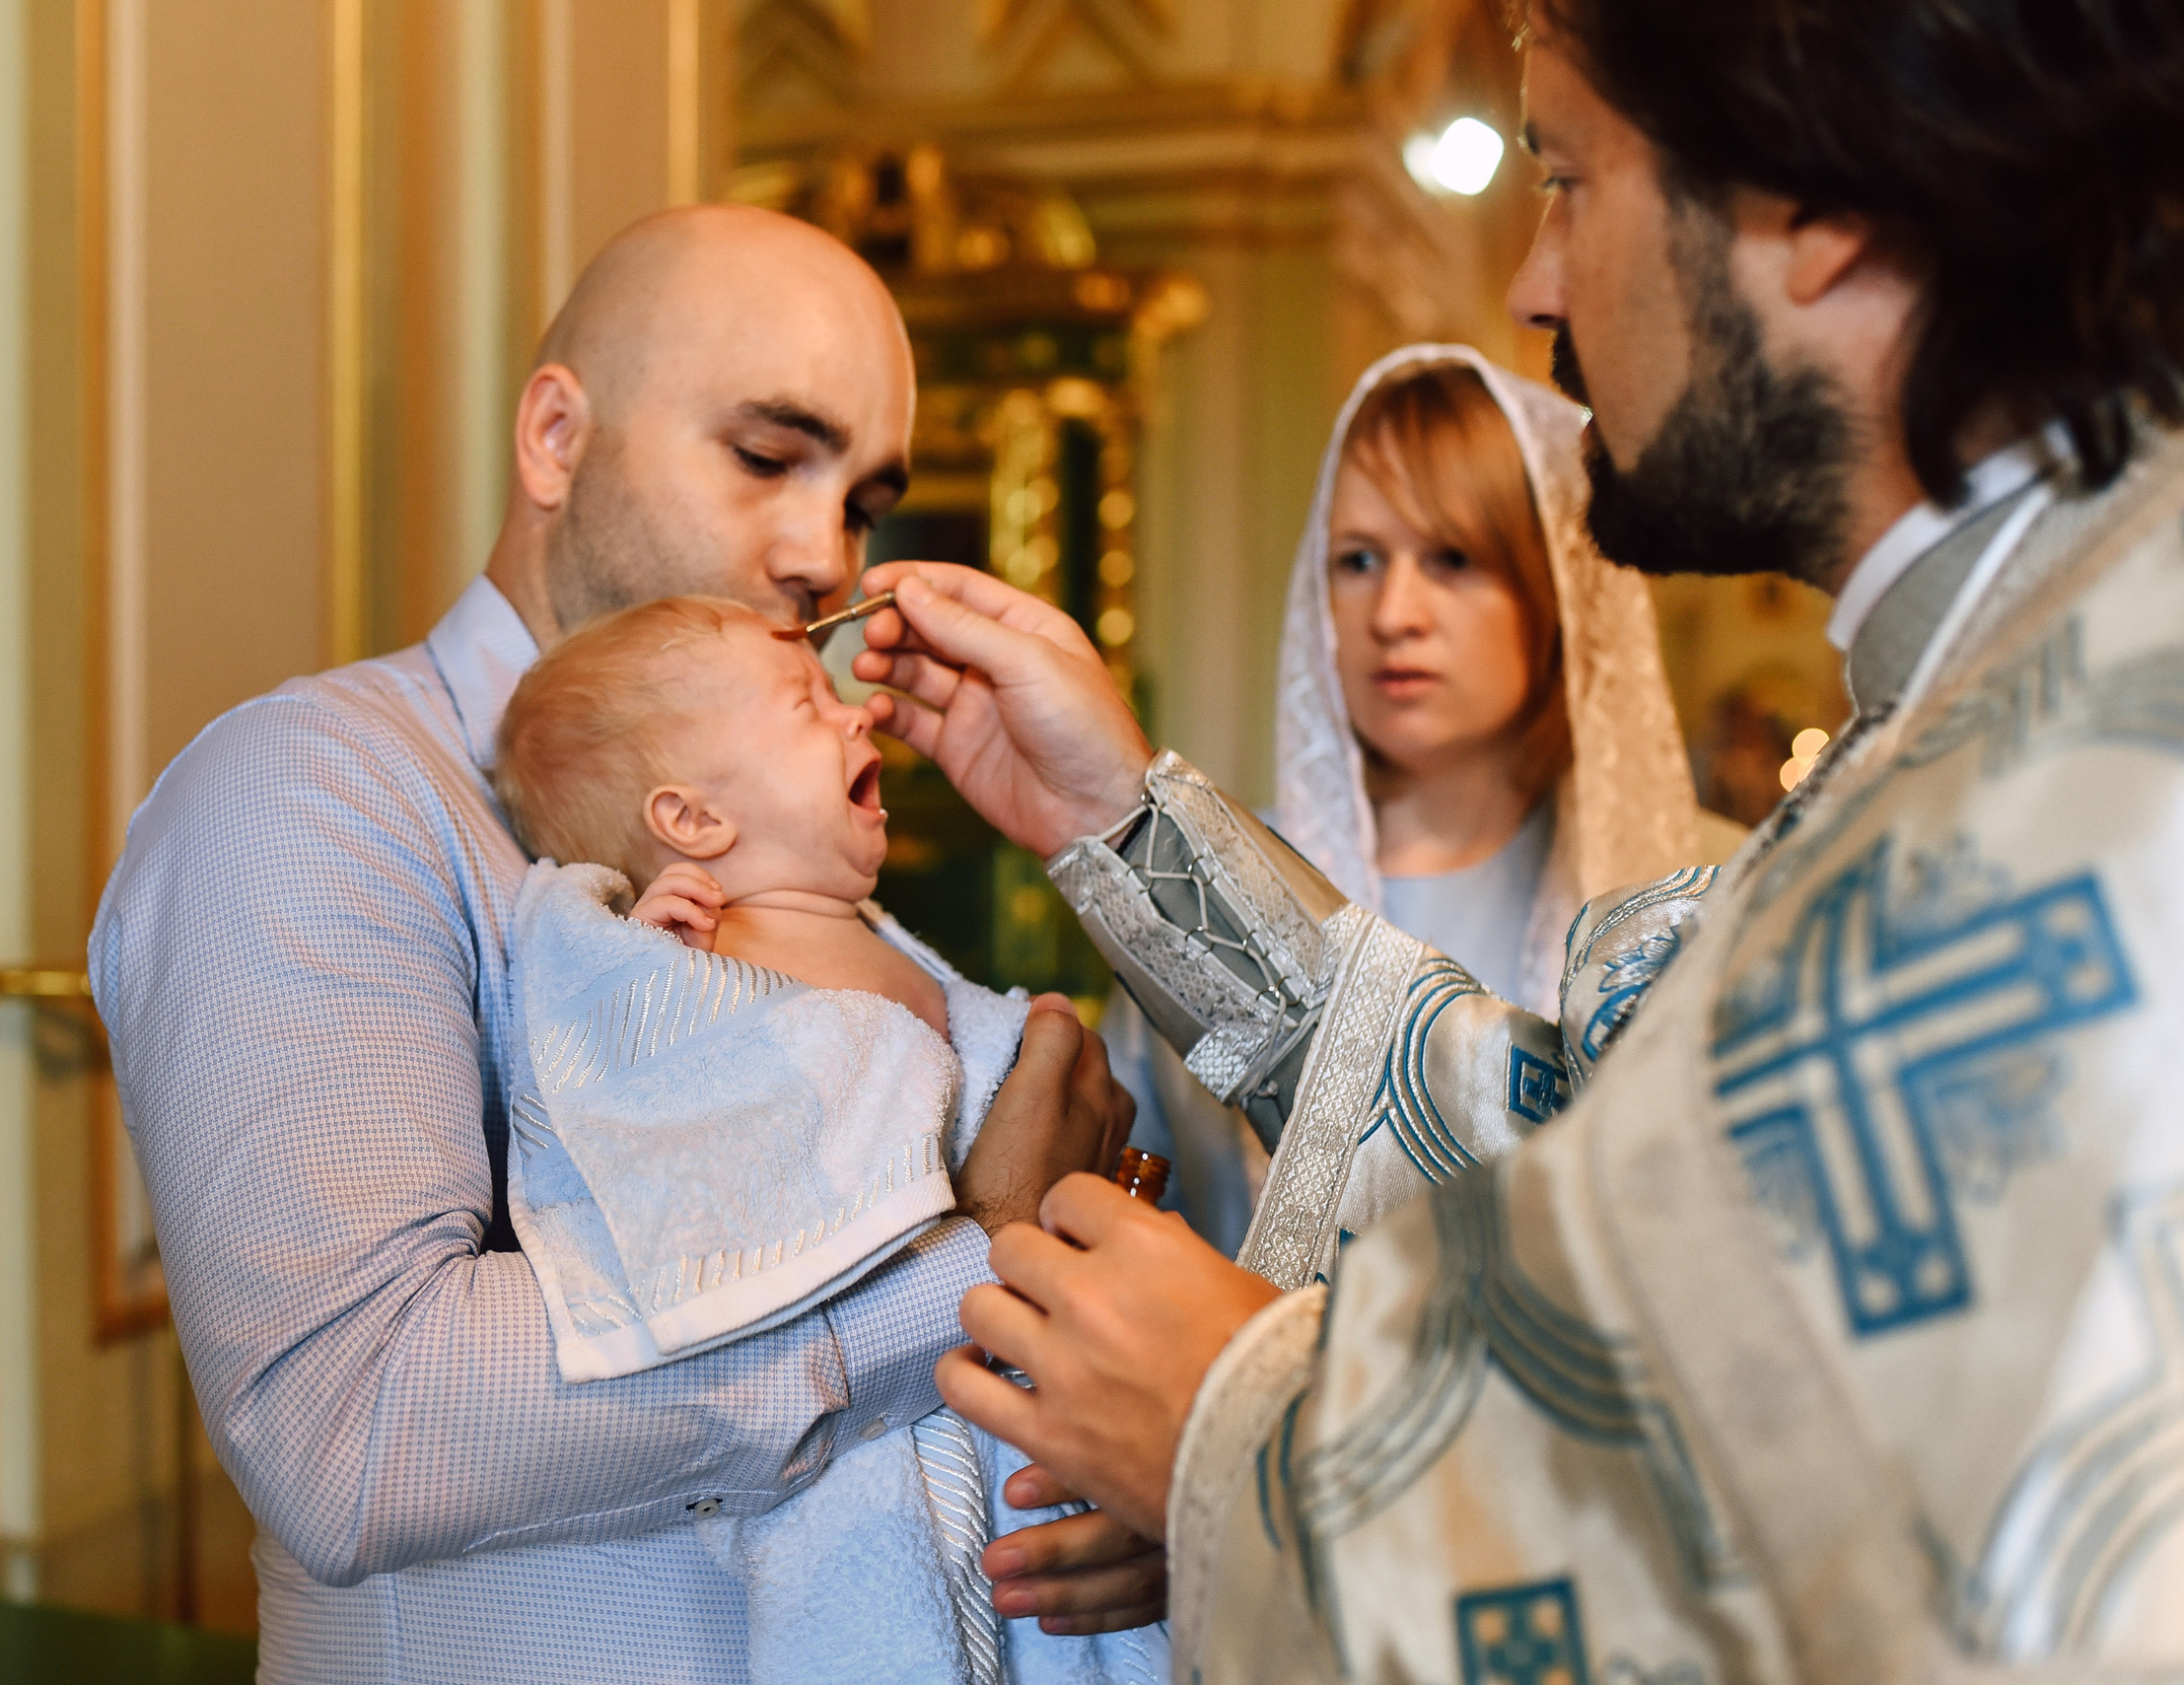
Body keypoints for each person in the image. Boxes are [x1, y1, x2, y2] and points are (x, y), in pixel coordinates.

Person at [850, 0, 2184, 1675]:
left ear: (1821, 205)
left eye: (1572, 177)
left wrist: (1247, 1420)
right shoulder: (2024, 668)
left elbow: (1915, 1579)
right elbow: (1619, 1163)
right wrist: (1120, 818)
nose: (1532, 283)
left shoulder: (2100, 761)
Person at [88, 205, 1157, 1683]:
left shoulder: (769, 828)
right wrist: (979, 1274)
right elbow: (358, 1427)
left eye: (862, 498)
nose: (820, 554)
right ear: (552, 436)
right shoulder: (317, 789)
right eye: (767, 457)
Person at [487, 594, 1164, 1684]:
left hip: (1019, 1411)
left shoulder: (874, 934)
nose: (859, 714)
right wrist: (646, 987)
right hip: (866, 1472)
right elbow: (654, 1131)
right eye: (807, 701)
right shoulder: (694, 972)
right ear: (693, 821)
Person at [1109, 343, 1736, 1253]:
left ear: (1555, 587)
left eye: (1451, 557)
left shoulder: (1700, 888)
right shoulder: (1204, 880)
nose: (1394, 611)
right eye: (1358, 559)